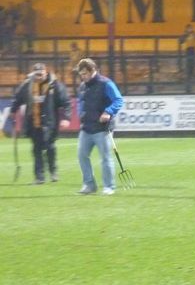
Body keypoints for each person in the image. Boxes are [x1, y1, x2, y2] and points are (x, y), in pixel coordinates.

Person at [10, 63, 72, 184]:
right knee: (36, 150)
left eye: (41, 74)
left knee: (50, 148)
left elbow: (66, 103)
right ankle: (39, 177)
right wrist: (13, 110)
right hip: (34, 123)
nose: (38, 77)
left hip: (49, 123)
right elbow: (18, 98)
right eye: (36, 74)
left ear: (46, 72)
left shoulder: (55, 85)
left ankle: (53, 171)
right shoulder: (28, 85)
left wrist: (66, 118)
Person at [76, 58, 124, 195]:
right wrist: (80, 113)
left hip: (102, 128)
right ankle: (89, 185)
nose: (83, 76)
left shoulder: (106, 84)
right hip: (86, 128)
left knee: (105, 157)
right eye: (81, 74)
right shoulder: (83, 86)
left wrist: (108, 112)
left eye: (85, 73)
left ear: (93, 70)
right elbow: (80, 102)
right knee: (82, 155)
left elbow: (118, 100)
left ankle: (109, 186)